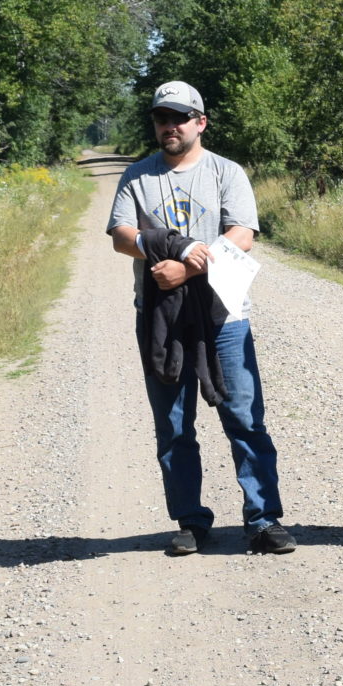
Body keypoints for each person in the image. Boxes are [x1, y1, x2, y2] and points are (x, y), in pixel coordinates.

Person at [107, 81, 292, 556]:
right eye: (161, 118)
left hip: (222, 318)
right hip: (161, 321)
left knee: (244, 418)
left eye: (179, 118)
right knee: (173, 425)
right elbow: (122, 235)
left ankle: (263, 519)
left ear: (200, 122)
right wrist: (164, 249)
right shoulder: (138, 177)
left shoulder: (225, 172)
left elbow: (243, 233)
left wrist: (187, 264)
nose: (169, 126)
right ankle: (190, 520)